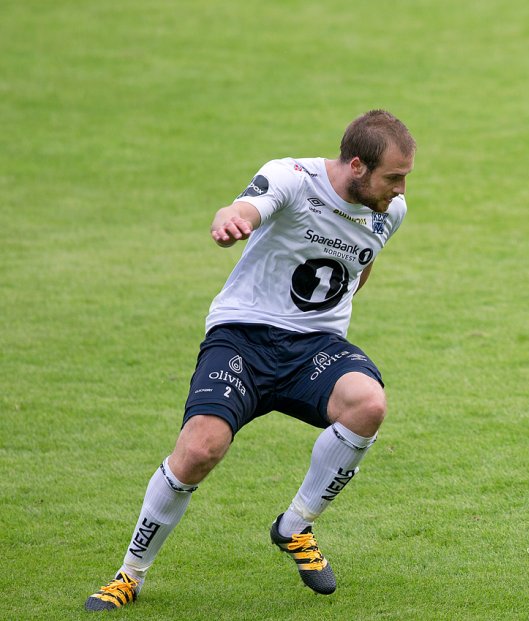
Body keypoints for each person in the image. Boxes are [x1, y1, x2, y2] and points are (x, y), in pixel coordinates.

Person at [85, 110, 416, 611]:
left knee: (368, 404)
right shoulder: (291, 176)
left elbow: (360, 265)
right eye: (394, 176)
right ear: (356, 166)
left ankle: (295, 526)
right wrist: (231, 221)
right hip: (243, 336)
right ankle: (129, 574)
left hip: (313, 346)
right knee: (199, 450)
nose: (401, 188)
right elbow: (244, 206)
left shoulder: (390, 211)